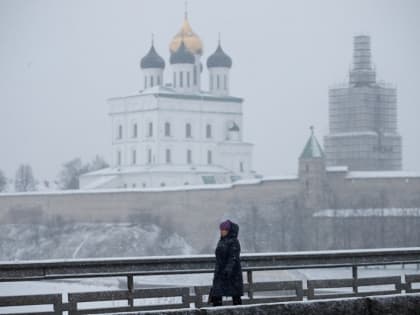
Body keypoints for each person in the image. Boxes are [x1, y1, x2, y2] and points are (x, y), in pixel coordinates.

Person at [210, 219, 244, 307]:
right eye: (221, 230)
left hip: (232, 274)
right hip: (220, 272)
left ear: (229, 231)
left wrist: (228, 269)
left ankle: (239, 311)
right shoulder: (222, 241)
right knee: (216, 294)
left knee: (235, 296)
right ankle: (216, 311)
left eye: (224, 230)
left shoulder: (234, 242)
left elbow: (233, 257)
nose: (222, 231)